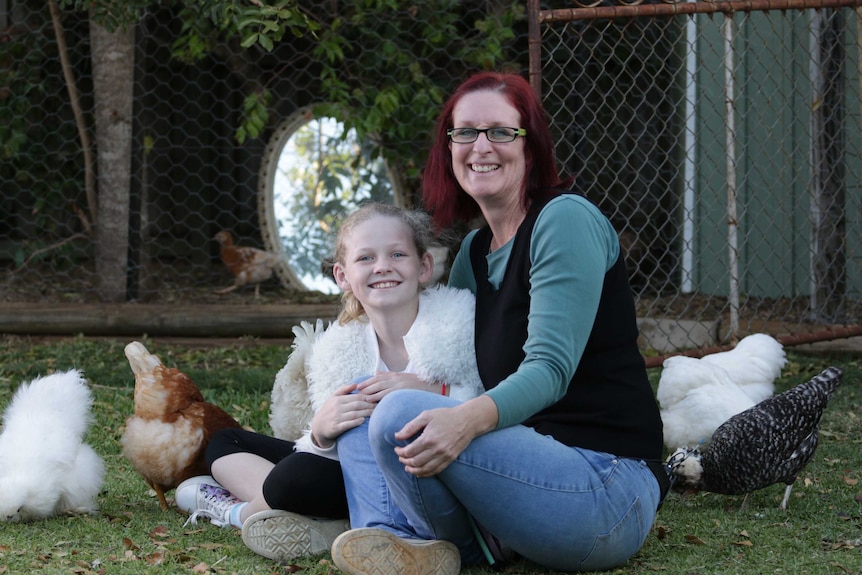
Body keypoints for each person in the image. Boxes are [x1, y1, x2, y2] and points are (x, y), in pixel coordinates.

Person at [329, 71, 668, 575]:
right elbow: (456, 367)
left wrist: (458, 418)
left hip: (603, 484)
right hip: (515, 472)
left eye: (500, 132)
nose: (480, 146)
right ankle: (408, 547)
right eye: (465, 132)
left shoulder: (564, 220)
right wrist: (395, 392)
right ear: (449, 149)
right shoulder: (473, 250)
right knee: (369, 409)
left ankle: (420, 539)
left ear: (529, 146)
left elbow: (549, 369)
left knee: (400, 413)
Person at [174, 202, 483, 563]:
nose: (382, 266)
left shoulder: (457, 326)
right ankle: (328, 522)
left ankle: (239, 514)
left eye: (397, 254)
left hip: (426, 469)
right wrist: (319, 433)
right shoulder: (339, 347)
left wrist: (431, 391)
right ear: (342, 275)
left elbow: (491, 403)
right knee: (226, 441)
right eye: (365, 258)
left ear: (424, 265)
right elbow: (336, 446)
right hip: (356, 475)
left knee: (293, 479)